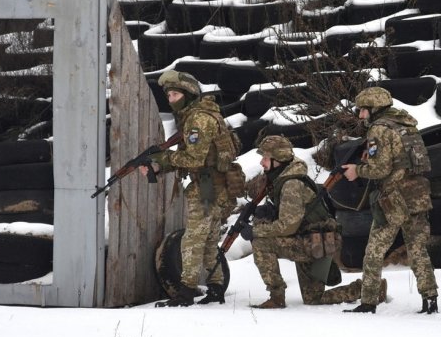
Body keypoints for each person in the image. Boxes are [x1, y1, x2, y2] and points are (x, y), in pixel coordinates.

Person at [142, 70, 239, 307]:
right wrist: (159, 167)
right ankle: (216, 288)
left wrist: (163, 160)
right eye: (169, 95)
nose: (171, 99)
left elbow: (194, 159)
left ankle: (185, 293)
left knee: (192, 241)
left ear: (188, 94)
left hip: (208, 190)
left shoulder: (198, 120)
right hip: (216, 187)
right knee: (207, 243)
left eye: (175, 94)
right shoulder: (201, 115)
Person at [342, 87, 438, 314]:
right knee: (417, 250)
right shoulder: (406, 124)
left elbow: (380, 168)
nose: (360, 116)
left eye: (363, 110)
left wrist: (358, 170)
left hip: (394, 199)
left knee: (374, 250)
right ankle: (430, 299)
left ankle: (368, 302)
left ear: (374, 109)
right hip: (417, 194)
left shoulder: (379, 129)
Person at [244, 135, 368, 309]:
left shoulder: (291, 184)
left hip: (312, 243)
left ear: (278, 160)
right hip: (313, 240)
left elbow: (287, 226)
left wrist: (255, 231)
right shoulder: (283, 177)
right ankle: (366, 290)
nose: (262, 163)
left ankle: (276, 296)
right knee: (313, 298)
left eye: (265, 158)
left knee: (261, 242)